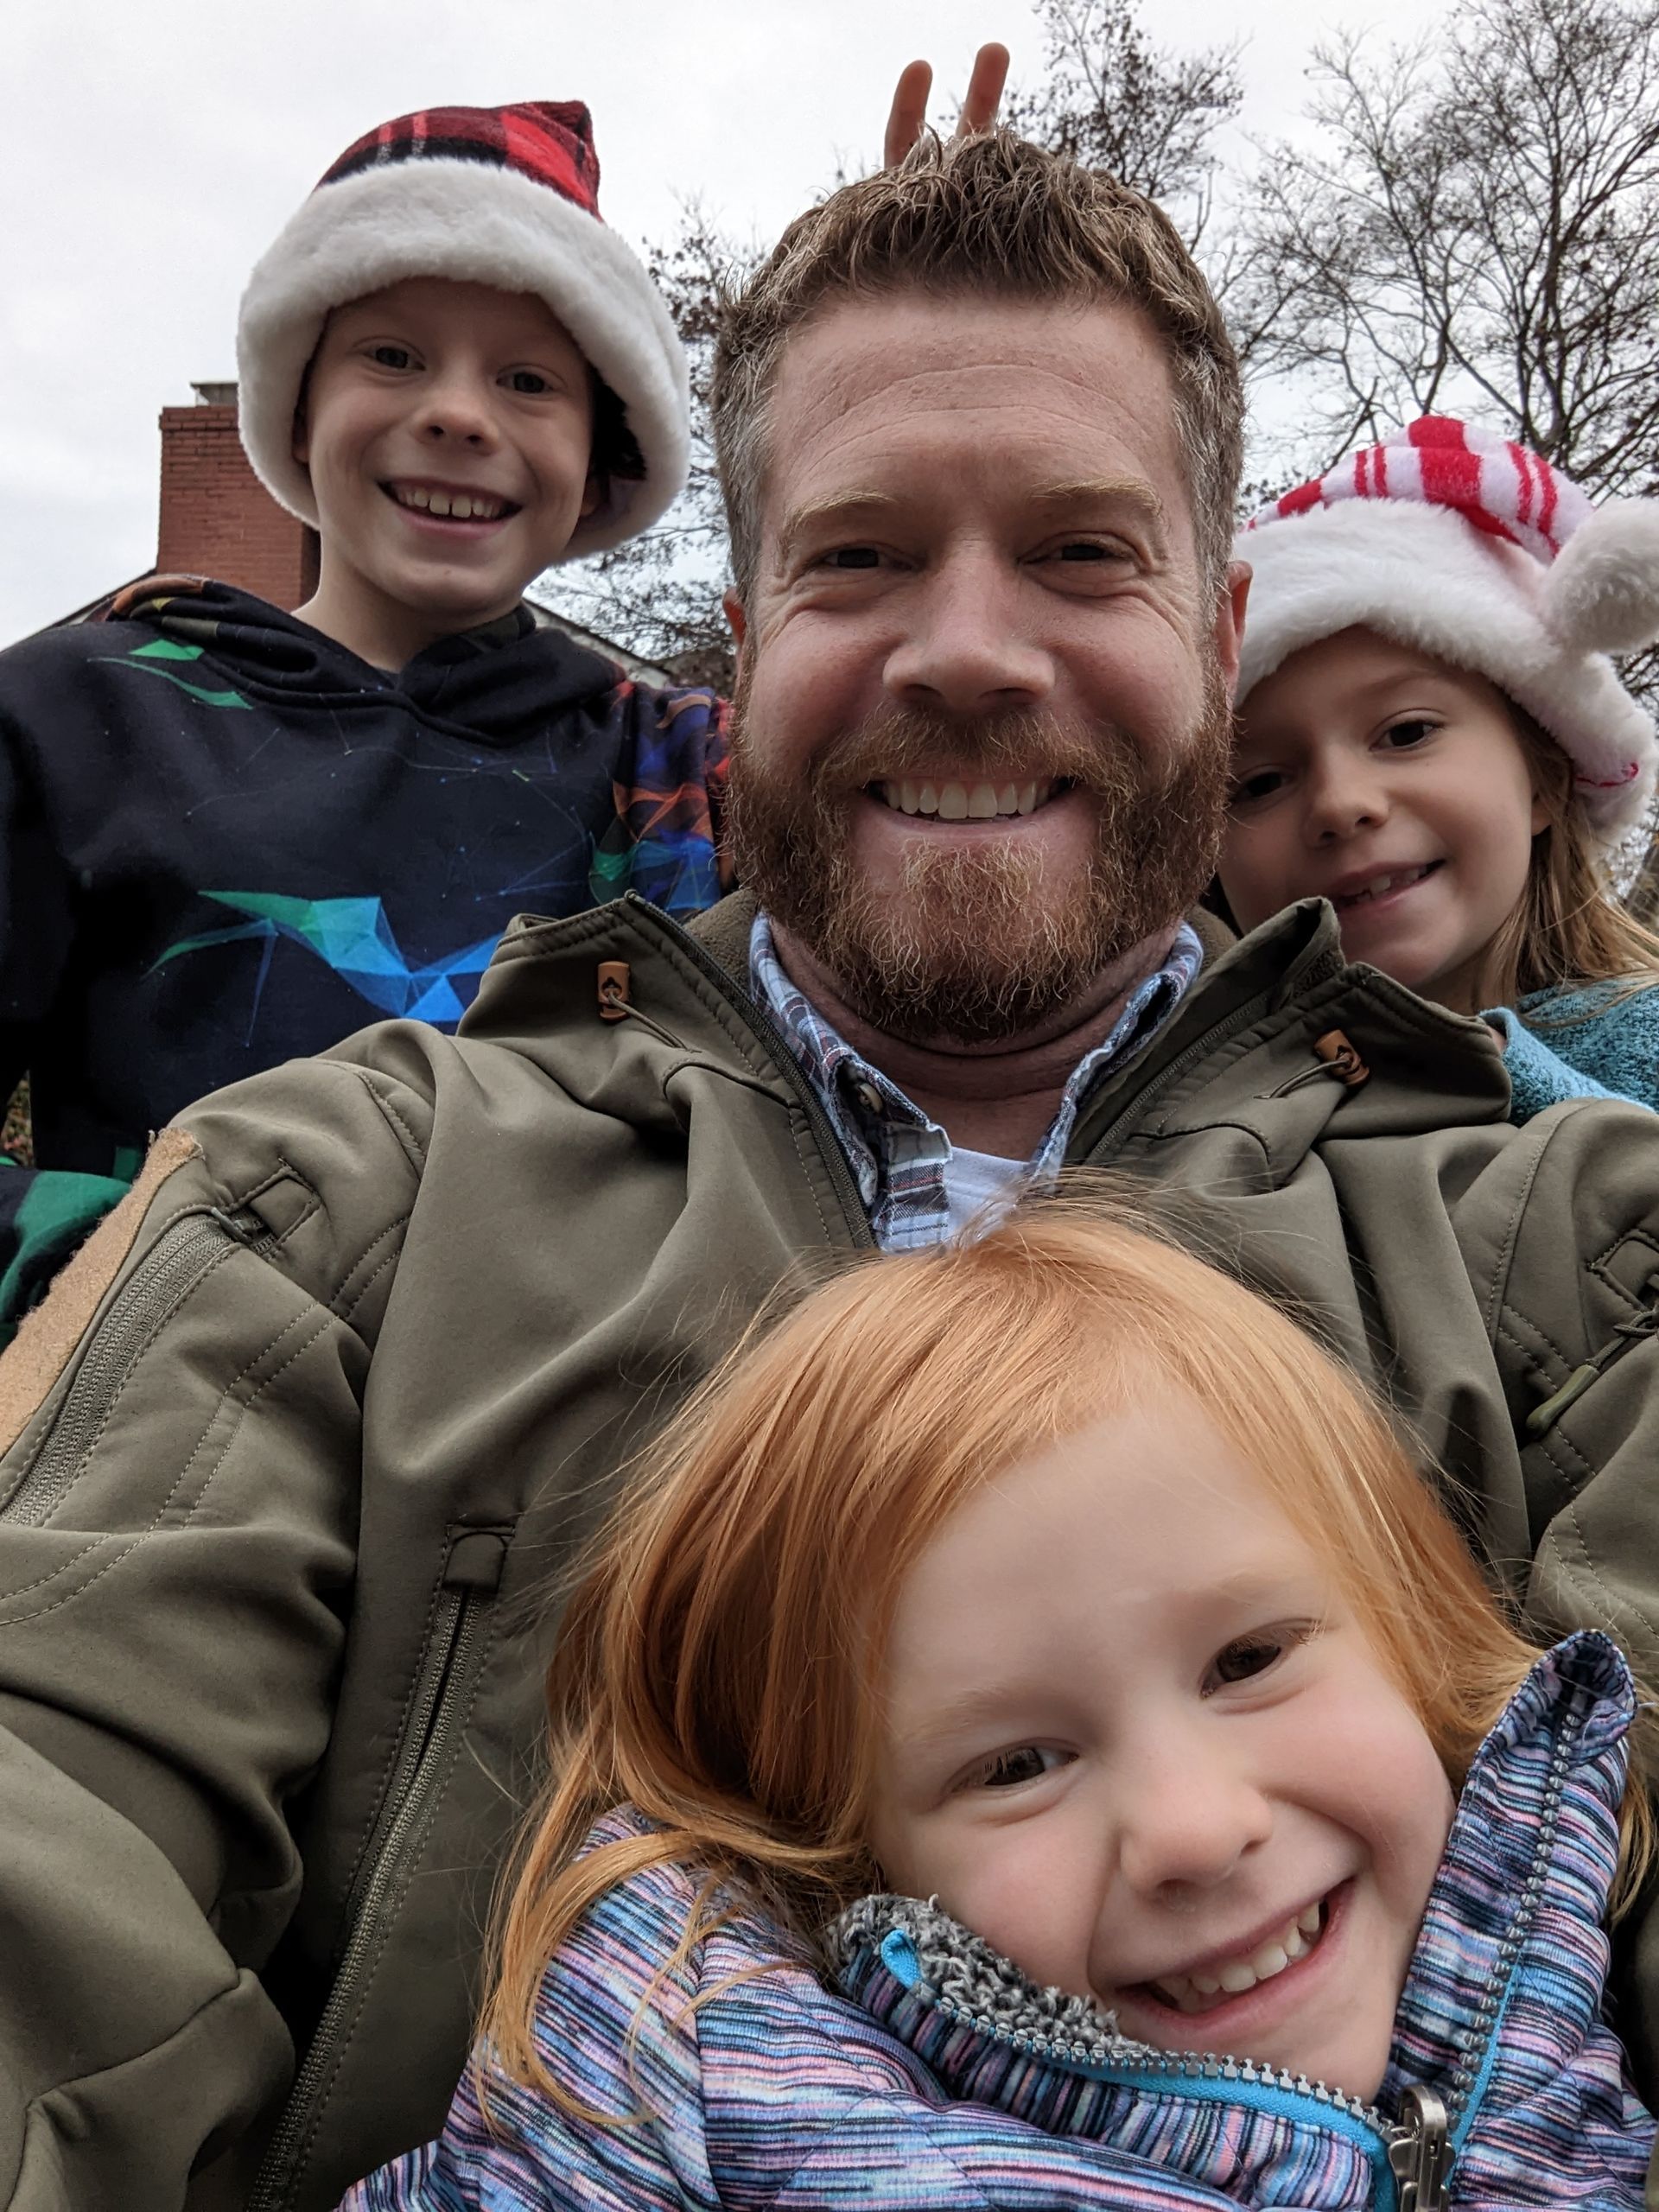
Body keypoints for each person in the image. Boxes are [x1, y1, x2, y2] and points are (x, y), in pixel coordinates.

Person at [8, 125, 1659, 2210]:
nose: (965, 650)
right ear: (742, 628)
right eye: (862, 557)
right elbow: (49, 1814)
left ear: (1223, 628)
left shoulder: (1571, 1244)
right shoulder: (335, 1207)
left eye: (1079, 554)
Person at [342, 1205, 1656, 2210]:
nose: (1194, 1829)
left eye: (1248, 1661)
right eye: (1018, 1762)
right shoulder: (675, 2112)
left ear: (1412, 1637)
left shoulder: (1554, 1950)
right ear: (843, 1861)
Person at [0, 96, 723, 1338]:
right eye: (392, 355)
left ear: (604, 459)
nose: (458, 412)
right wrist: (135, 1269)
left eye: (529, 379)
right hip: (138, 1457)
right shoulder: (74, 714)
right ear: (294, 407)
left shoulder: (676, 772)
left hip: (545, 1473)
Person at [1215, 416, 1659, 1121]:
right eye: (1260, 781)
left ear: (1547, 774)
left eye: (1406, 732)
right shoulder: (1190, 1103)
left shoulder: (1644, 1037)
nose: (1340, 803)